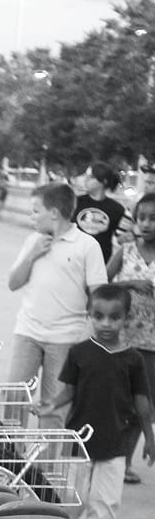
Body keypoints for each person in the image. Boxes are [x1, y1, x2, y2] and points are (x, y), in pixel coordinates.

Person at [60, 283, 155, 519]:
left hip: (115, 444)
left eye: (114, 317)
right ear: (89, 314)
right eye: (98, 316)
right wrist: (48, 405)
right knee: (72, 498)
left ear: (126, 318)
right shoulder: (79, 352)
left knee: (107, 501)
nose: (106, 323)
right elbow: (68, 392)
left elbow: (142, 404)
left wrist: (150, 439)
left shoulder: (133, 360)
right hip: (79, 440)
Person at [6, 181, 107, 430]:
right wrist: (32, 255)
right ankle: (8, 462)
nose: (32, 216)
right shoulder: (33, 240)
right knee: (13, 400)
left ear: (54, 213)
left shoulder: (87, 245)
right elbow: (13, 283)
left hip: (65, 338)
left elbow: (99, 295)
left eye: (35, 210)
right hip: (27, 333)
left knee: (54, 407)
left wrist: (93, 335)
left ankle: (46, 468)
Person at [109, 191, 155, 481]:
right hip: (121, 342)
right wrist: (131, 282)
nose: (146, 224)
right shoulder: (125, 252)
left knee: (145, 405)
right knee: (117, 402)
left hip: (152, 346)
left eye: (153, 219)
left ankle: (123, 462)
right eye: (141, 218)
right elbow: (99, 283)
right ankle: (110, 460)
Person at [73, 162, 127, 267]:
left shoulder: (116, 209)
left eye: (90, 177)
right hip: (74, 260)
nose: (86, 179)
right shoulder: (75, 202)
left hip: (100, 263)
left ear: (103, 182)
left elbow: (122, 237)